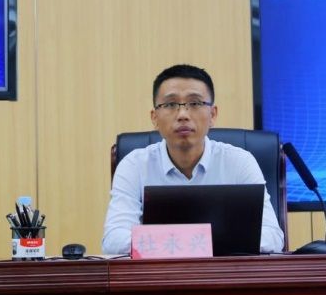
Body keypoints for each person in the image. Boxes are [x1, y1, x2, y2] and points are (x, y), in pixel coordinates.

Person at [102, 64, 285, 255]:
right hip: (158, 273)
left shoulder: (240, 162)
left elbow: (272, 236)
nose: (183, 115)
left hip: (225, 272)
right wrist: (202, 241)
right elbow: (114, 239)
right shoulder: (134, 165)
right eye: (170, 104)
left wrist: (184, 242)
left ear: (213, 115)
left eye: (195, 103)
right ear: (154, 117)